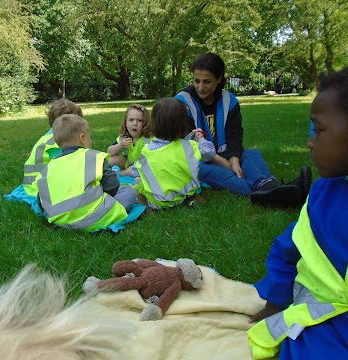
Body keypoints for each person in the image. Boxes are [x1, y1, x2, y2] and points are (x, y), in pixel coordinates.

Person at [247, 67, 348, 359]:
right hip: (326, 322)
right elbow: (287, 250)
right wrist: (275, 305)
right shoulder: (322, 196)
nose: (309, 141)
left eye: (318, 130)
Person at [175, 52, 311, 207]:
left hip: (226, 153)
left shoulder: (229, 100)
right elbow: (192, 144)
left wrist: (234, 159)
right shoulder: (182, 102)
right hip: (198, 161)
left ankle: (269, 186)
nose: (200, 87)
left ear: (219, 80)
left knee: (251, 155)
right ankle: (279, 194)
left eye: (207, 82)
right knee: (232, 178)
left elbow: (234, 134)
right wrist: (227, 165)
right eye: (196, 81)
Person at [34, 114, 137, 231]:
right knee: (129, 191)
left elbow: (41, 198)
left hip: (61, 222)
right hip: (98, 217)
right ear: (82, 138)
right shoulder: (95, 157)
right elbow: (112, 185)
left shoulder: (49, 167)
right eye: (90, 137)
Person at [132, 97, 215, 209]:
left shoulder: (147, 151)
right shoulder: (190, 146)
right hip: (185, 194)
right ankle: (192, 198)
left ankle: (147, 208)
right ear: (183, 124)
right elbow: (210, 152)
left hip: (159, 202)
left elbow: (135, 171)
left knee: (138, 182)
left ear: (155, 125)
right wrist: (199, 137)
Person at [22, 98, 83, 197]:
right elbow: (67, 166)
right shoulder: (57, 142)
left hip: (33, 184)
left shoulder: (49, 137)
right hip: (39, 187)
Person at [107, 104, 153, 176]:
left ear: (145, 123)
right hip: (128, 163)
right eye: (131, 120)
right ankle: (100, 174)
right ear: (125, 122)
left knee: (130, 171)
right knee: (111, 159)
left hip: (143, 166)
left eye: (139, 120)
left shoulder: (148, 139)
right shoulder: (124, 138)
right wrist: (120, 145)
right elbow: (109, 152)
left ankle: (120, 174)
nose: (135, 124)